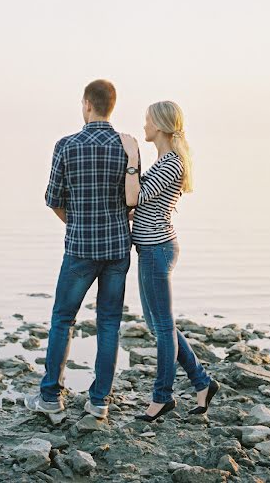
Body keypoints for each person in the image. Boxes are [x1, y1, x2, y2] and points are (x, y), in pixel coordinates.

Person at [25, 80, 132, 417]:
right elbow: (132, 199)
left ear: (87, 104)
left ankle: (51, 398)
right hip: (117, 248)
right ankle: (100, 401)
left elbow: (53, 199)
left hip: (80, 248)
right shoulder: (128, 146)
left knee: (62, 319)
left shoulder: (66, 145)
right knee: (110, 323)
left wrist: (75, 223)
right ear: (111, 106)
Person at [120, 101, 219, 422]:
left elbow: (134, 197)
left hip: (157, 249)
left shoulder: (171, 164)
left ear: (160, 126)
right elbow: (143, 204)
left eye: (147, 121)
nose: (144, 125)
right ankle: (203, 383)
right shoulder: (165, 160)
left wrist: (132, 158)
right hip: (151, 248)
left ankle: (162, 397)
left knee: (163, 327)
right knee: (159, 325)